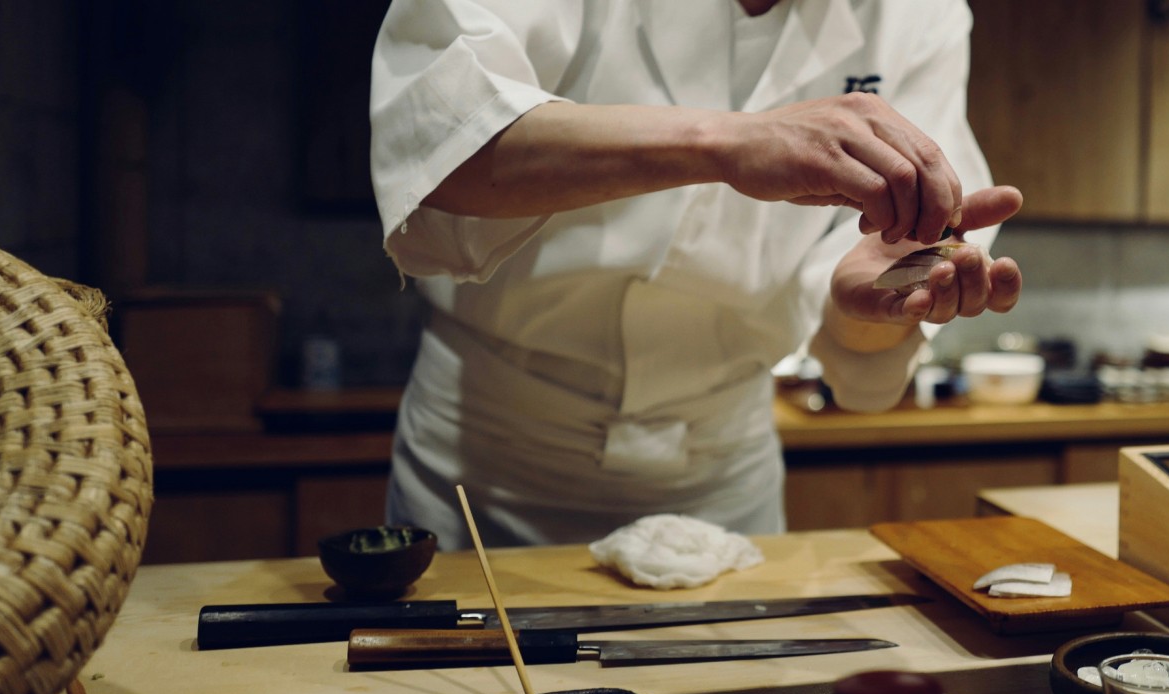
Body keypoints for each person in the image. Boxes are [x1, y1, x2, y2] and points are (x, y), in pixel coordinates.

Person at [370, 0, 1023, 549]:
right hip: (489, 458)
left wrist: (880, 304)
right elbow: (438, 140)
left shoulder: (921, 14)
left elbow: (859, 319)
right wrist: (726, 142)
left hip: (723, 482)